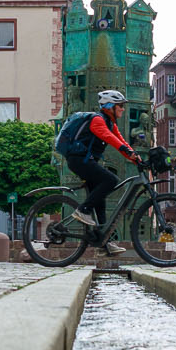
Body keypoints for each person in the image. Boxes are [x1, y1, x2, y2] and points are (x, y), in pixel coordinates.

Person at [55, 90, 141, 256]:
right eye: (120, 106)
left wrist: (134, 157)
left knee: (100, 200)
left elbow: (121, 141)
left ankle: (104, 242)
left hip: (86, 161)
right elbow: (109, 138)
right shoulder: (97, 120)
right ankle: (83, 210)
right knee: (110, 180)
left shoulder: (110, 122)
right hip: (78, 160)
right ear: (109, 107)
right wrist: (126, 151)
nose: (123, 109)